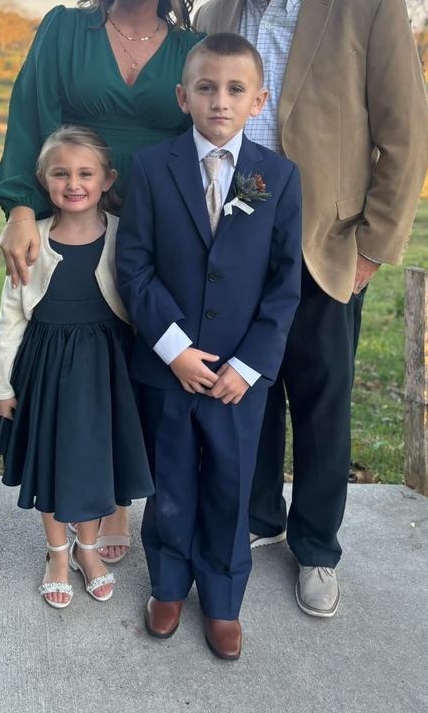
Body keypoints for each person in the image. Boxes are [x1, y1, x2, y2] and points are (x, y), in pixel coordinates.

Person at [195, 0, 428, 618]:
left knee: (321, 405)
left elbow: (406, 137)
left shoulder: (369, 6)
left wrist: (369, 251)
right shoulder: (213, 13)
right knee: (247, 396)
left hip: (325, 252)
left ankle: (318, 545)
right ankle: (261, 519)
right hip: (231, 249)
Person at [0, 0, 203, 561]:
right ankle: (71, 501)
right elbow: (31, 117)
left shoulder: (195, 49)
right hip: (74, 223)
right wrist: (22, 208)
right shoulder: (64, 30)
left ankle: (118, 499)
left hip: (159, 230)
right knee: (74, 362)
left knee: (137, 369)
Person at [116, 33, 302, 660]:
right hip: (169, 366)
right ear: (183, 95)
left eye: (234, 89)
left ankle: (223, 599)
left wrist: (249, 364)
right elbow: (134, 267)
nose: (219, 100)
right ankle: (168, 583)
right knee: (171, 481)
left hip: (237, 375)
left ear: (258, 100)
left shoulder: (272, 177)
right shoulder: (151, 168)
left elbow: (283, 285)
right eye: (206, 87)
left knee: (231, 481)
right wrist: (173, 348)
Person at [0, 125, 154, 609]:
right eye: (60, 173)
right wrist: (0, 383)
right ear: (43, 180)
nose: (73, 183)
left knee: (94, 463)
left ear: (107, 179)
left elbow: (142, 305)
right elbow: (11, 314)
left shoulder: (125, 236)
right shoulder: (31, 240)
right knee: (55, 464)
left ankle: (88, 549)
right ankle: (57, 555)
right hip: (46, 370)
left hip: (106, 372)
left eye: (85, 173)